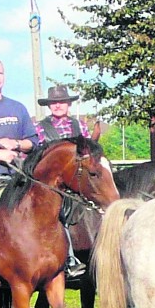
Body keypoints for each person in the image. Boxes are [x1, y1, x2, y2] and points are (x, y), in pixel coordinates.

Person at [34, 84, 94, 278]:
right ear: (49, 106)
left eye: (61, 102)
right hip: (51, 185)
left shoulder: (80, 126)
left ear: (68, 104)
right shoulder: (40, 128)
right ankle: (68, 259)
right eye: (54, 103)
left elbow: (89, 154)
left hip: (77, 181)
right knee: (58, 214)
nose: (58, 105)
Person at [0, 56, 38, 196]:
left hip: (17, 178)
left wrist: (16, 144)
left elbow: (33, 143)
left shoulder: (17, 107)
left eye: (0, 73)